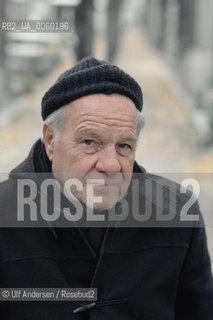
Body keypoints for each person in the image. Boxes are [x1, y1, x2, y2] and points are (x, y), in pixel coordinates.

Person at [0, 57, 213, 319]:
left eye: (124, 146)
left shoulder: (178, 213)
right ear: (51, 140)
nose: (111, 165)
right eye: (90, 142)